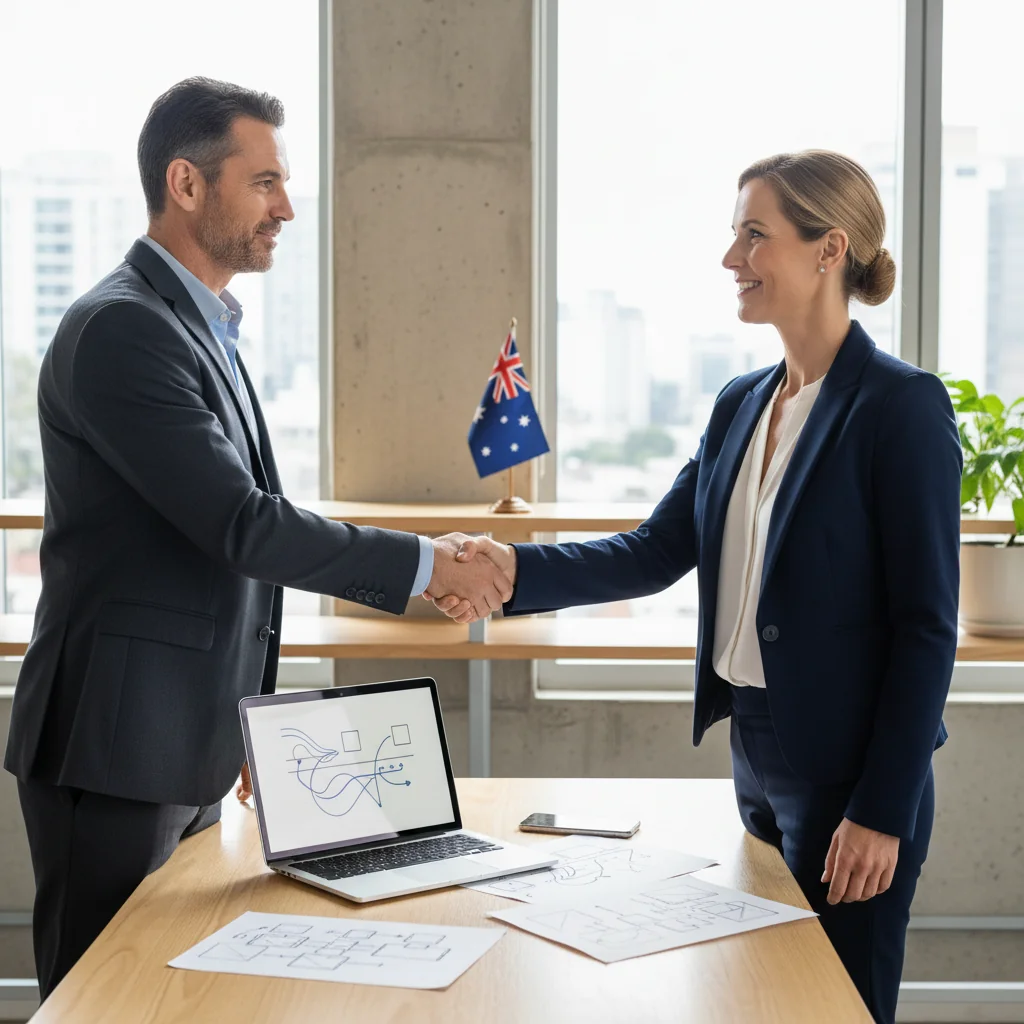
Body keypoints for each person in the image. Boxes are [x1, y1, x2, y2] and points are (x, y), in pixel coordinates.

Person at [4, 76, 508, 1000]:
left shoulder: (199, 325)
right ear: (187, 185)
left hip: (177, 735)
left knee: (169, 997)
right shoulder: (125, 329)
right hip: (115, 743)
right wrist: (431, 564)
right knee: (96, 999)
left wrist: (234, 716)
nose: (285, 206)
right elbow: (240, 524)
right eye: (264, 181)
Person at [433, 150, 962, 1024]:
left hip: (851, 777)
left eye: (754, 235)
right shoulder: (741, 403)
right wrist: (511, 571)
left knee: (841, 1007)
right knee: (762, 1003)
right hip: (755, 753)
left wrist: (882, 808)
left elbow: (925, 626)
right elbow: (654, 550)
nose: (732, 259)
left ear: (830, 250)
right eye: (734, 235)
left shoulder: (900, 408)